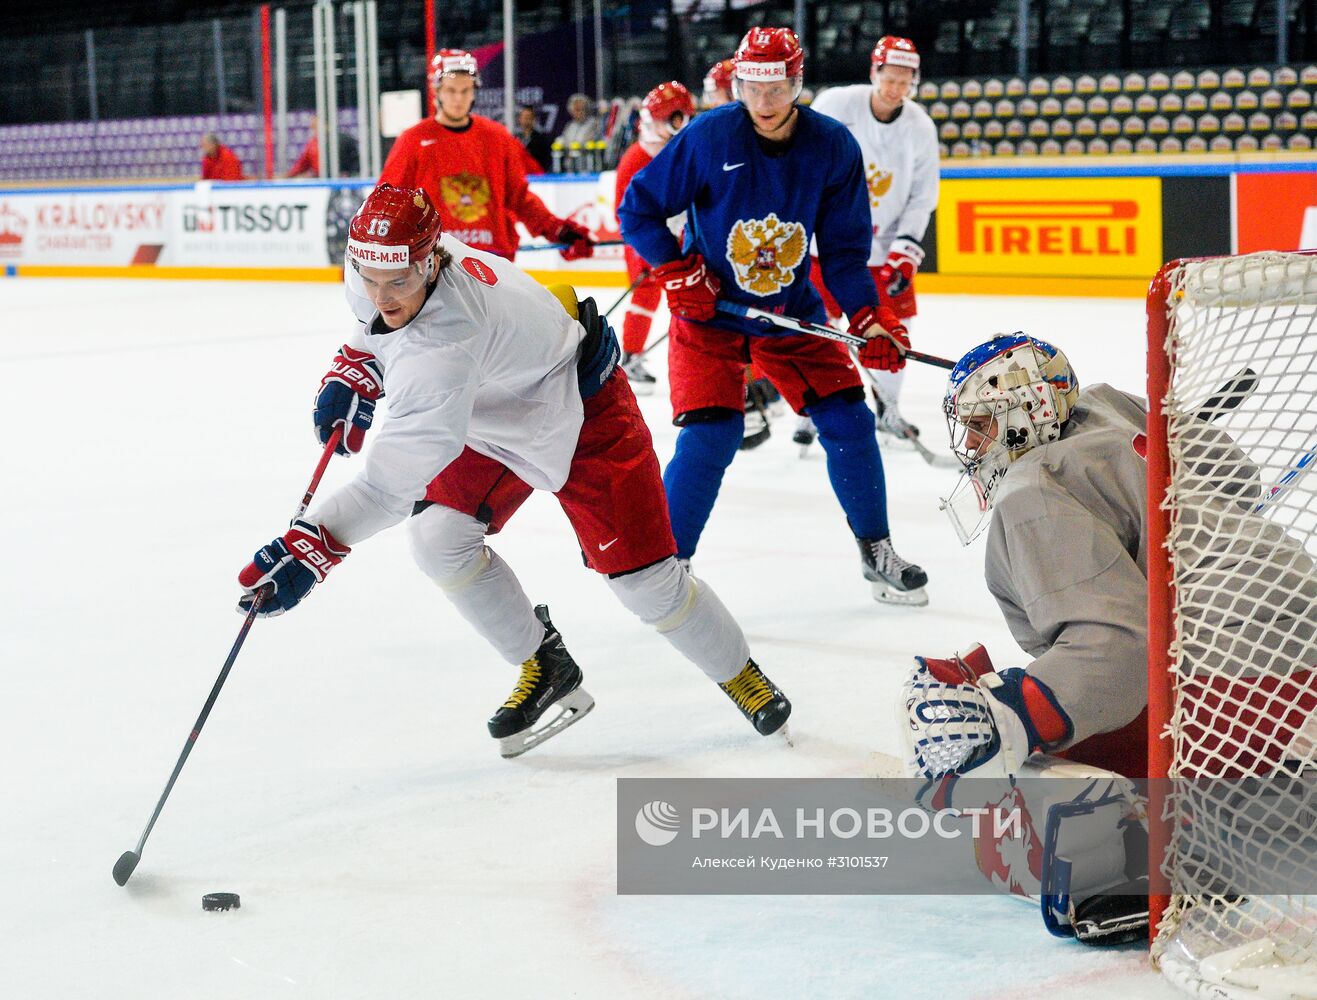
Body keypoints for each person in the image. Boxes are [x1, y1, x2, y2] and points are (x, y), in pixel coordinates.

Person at [237, 184, 792, 758]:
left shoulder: (443, 353)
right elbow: (376, 321)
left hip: (584, 406)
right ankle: (543, 663)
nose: (381, 295)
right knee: (438, 537)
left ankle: (740, 674)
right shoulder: (395, 260)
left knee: (645, 583)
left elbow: (385, 487)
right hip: (499, 402)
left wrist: (314, 544)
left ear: (430, 263)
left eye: (398, 282)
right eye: (369, 278)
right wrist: (356, 364)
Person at [899, 334, 1317, 940]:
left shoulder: (1030, 491)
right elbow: (1240, 481)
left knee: (1046, 767)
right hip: (1293, 619)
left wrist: (1011, 719)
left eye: (983, 425)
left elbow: (1117, 653)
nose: (970, 445)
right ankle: (1278, 777)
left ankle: (1146, 864)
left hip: (1232, 668)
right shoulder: (1111, 406)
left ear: (1029, 415)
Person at [618, 26, 929, 606]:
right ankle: (664, 566)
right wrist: (677, 270)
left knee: (851, 423)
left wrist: (870, 319)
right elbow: (637, 209)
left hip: (789, 313)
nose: (763, 102)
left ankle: (876, 548)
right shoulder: (710, 137)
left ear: (797, 82)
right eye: (751, 87)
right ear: (738, 83)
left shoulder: (832, 146)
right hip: (709, 316)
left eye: (776, 87)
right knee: (713, 435)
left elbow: (841, 254)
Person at [794, 37, 939, 451]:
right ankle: (813, 408)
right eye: (889, 78)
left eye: (904, 81)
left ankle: (888, 407)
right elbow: (804, 163)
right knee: (819, 329)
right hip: (829, 246)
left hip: (886, 247)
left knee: (896, 330)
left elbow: (922, 196)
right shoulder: (836, 104)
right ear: (874, 73)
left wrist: (907, 249)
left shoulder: (920, 126)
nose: (895, 89)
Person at [378, 49, 592, 262]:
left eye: (466, 90)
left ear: (474, 90)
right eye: (451, 90)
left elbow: (521, 199)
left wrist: (558, 230)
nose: (458, 98)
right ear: (437, 91)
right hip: (436, 262)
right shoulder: (414, 140)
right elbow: (388, 202)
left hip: (493, 260)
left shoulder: (497, 137)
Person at [613, 81, 696, 392]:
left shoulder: (679, 150)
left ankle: (691, 356)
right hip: (646, 244)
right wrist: (646, 247)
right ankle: (633, 353)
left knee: (688, 298)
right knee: (646, 292)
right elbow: (624, 212)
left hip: (681, 240)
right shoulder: (637, 157)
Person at [285, 115, 361, 178]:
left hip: (342, 179)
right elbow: (302, 164)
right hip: (321, 178)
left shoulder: (344, 139)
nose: (315, 130)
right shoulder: (313, 143)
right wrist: (288, 176)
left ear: (327, 124)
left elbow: (356, 159)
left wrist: (350, 174)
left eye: (316, 126)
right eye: (313, 128)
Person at [515, 105, 553, 173]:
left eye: (529, 117)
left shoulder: (542, 139)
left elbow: (546, 161)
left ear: (533, 119)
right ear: (519, 119)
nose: (526, 120)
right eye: (524, 117)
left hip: (536, 176)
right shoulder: (514, 139)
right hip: (519, 174)